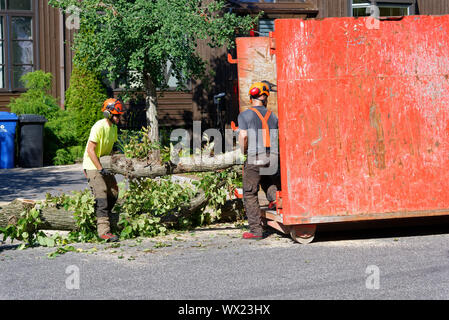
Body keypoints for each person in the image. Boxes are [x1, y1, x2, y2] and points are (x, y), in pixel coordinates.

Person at [238, 81, 281, 240]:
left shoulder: (245, 115)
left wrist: (244, 152)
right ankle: (277, 203)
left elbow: (243, 136)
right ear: (266, 98)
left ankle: (256, 231)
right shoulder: (273, 116)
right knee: (268, 182)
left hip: (255, 156)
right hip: (272, 156)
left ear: (251, 97)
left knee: (249, 193)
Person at [82, 98, 124, 242]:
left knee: (114, 192)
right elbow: (90, 150)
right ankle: (103, 232)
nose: (119, 118)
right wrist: (100, 169)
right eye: (116, 115)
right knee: (101, 195)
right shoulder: (99, 126)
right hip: (92, 164)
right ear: (108, 114)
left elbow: (112, 148)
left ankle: (100, 216)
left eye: (119, 115)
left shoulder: (114, 128)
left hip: (104, 165)